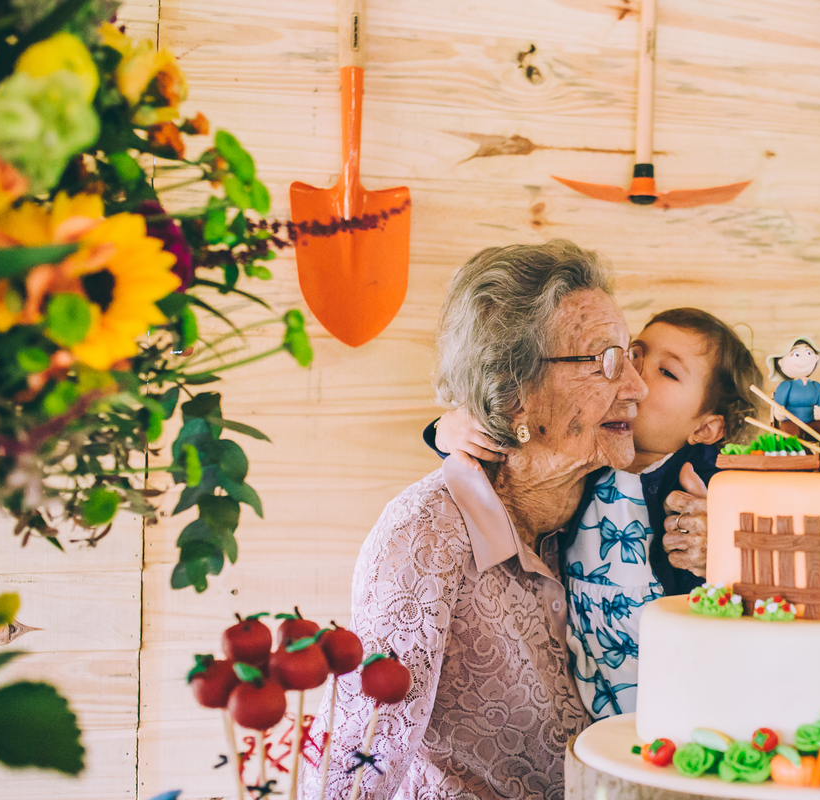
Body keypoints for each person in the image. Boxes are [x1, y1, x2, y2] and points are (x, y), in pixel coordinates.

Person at [302, 240, 647, 800]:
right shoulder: (425, 537)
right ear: (514, 392)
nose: (637, 386)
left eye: (630, 355)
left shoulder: (613, 506)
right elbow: (361, 757)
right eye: (605, 361)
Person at [435, 308, 764, 720]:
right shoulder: (588, 449)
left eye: (668, 373)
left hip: (688, 696)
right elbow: (511, 457)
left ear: (706, 429)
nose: (637, 374)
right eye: (635, 353)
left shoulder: (708, 480)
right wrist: (448, 429)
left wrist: (726, 541)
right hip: (594, 698)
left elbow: (762, 547)